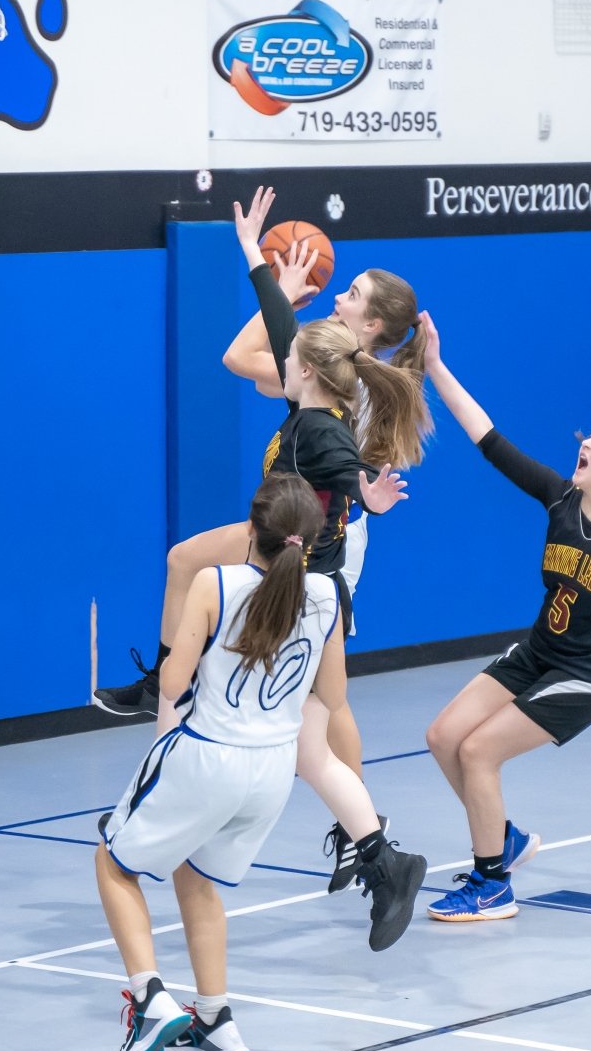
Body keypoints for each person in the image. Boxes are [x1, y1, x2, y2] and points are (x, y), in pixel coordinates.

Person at [94, 185, 430, 895]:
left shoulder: (344, 390)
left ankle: (362, 833)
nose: (338, 295)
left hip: (319, 544)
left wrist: (277, 287)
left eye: (351, 295)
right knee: (193, 572)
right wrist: (268, 275)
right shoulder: (332, 368)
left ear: (370, 325)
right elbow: (260, 350)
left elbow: (252, 359)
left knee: (318, 712)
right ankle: (362, 833)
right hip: (287, 526)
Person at [95, 473, 427, 1051]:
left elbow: (172, 682)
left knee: (112, 864)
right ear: (313, 540)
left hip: (208, 755)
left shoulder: (214, 583)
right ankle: (214, 1021)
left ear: (251, 529)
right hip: (272, 772)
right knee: (196, 877)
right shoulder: (327, 595)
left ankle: (148, 1001)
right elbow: (333, 695)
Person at [419, 310, 591, 924]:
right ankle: (505, 841)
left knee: (479, 752)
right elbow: (489, 439)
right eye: (588, 436)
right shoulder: (561, 498)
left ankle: (493, 885)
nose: (585, 443)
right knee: (443, 737)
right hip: (541, 650)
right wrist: (435, 365)